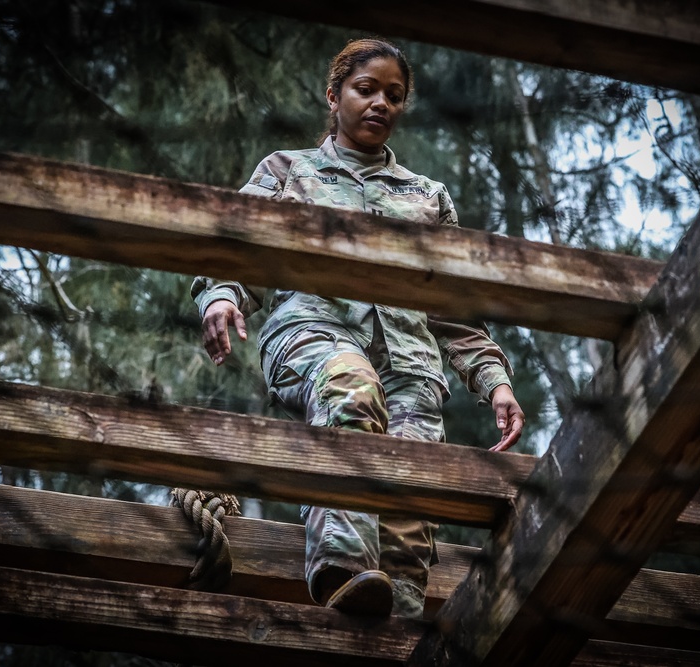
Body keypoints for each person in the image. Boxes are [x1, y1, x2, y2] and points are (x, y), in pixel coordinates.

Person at [191, 37, 524, 619]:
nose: (380, 104)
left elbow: (452, 305)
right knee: (351, 387)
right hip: (313, 334)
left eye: (393, 96)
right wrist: (221, 297)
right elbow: (236, 246)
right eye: (365, 89)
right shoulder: (287, 170)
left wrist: (494, 380)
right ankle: (342, 568)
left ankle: (392, 618)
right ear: (334, 94)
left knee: (410, 485)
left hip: (411, 367)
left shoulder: (428, 198)